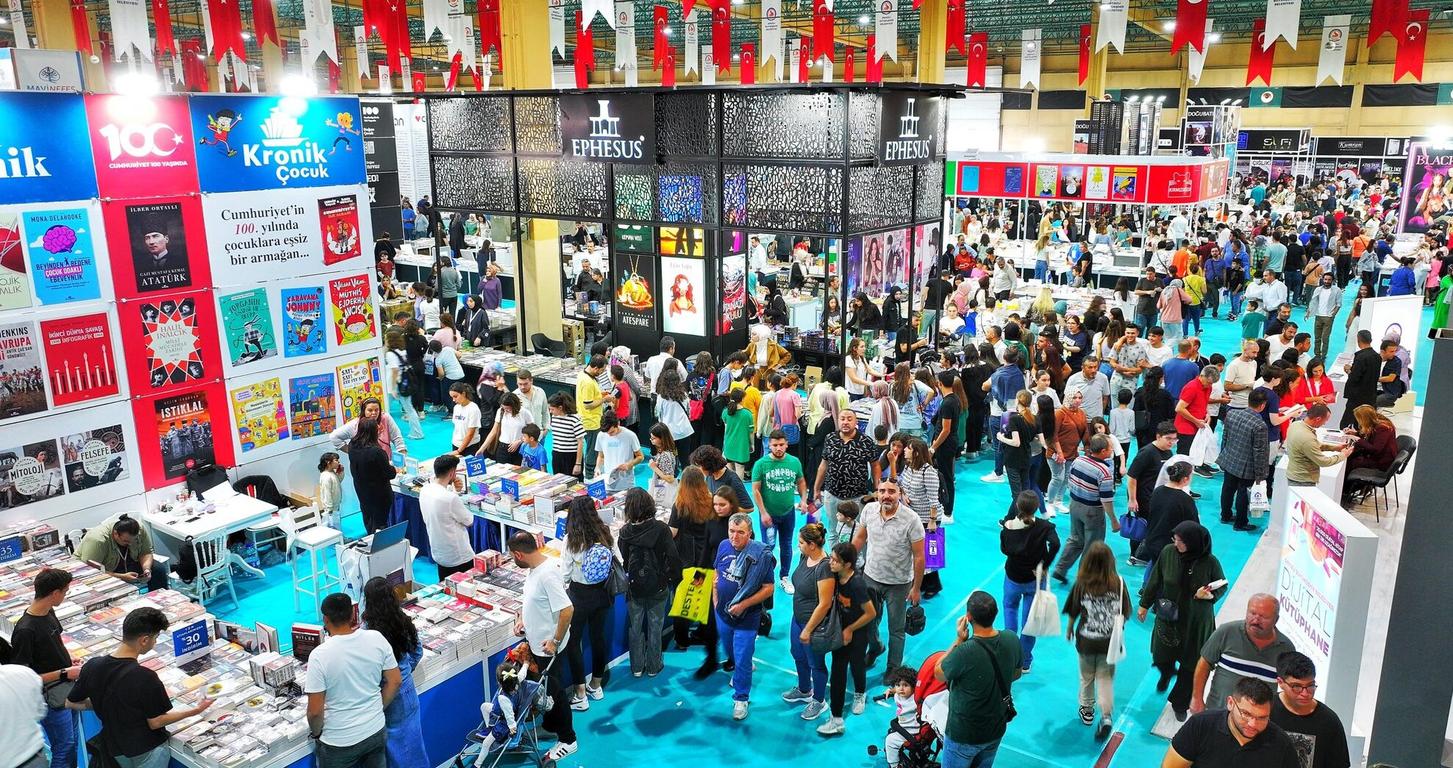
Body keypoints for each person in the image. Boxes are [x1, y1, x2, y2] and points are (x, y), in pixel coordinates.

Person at [66, 608, 215, 768]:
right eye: (155, 638)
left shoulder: (92, 665)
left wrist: (102, 703)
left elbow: (70, 702)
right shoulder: (145, 677)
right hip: (147, 750)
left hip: (115, 747)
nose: (155, 643)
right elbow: (156, 722)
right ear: (144, 640)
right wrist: (196, 710)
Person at [506, 532, 578, 762]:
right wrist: (523, 620)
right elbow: (535, 601)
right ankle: (551, 725)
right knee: (547, 691)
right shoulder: (534, 570)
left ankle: (568, 739)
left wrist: (555, 641)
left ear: (519, 554)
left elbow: (567, 610)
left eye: (512, 556)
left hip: (549, 649)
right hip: (537, 644)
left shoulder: (547, 575)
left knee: (555, 692)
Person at [934, 591, 1023, 768]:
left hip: (964, 734)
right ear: (995, 613)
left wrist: (959, 639)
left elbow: (938, 672)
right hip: (995, 729)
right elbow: (1017, 673)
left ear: (968, 617)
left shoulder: (965, 651)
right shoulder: (1011, 639)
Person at [852, 479, 925, 678]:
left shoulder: (912, 519)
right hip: (871, 577)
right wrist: (847, 561)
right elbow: (860, 537)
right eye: (882, 491)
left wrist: (916, 588)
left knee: (896, 629)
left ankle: (893, 667)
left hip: (899, 583)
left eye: (891, 491)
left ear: (900, 493)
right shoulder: (869, 510)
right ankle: (876, 647)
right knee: (868, 622)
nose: (886, 495)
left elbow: (919, 557)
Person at [9, 568, 80, 768]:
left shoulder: (49, 611)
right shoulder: (25, 630)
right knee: (64, 747)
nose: (65, 596)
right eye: (65, 592)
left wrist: (67, 659)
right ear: (55, 593)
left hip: (67, 687)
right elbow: (23, 678)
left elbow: (55, 641)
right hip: (50, 698)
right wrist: (63, 673)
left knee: (72, 743)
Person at [1062, 541, 1132, 740]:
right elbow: (1125, 612)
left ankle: (1087, 710)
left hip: (1086, 640)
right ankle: (1106, 716)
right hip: (1109, 642)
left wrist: (1069, 628)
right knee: (1105, 678)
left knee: (1086, 677)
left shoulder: (1082, 583)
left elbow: (1074, 609)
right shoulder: (1119, 583)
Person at [713, 512, 777, 720]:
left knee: (741, 658)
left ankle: (741, 698)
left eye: (740, 532)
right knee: (730, 651)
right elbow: (716, 573)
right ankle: (743, 667)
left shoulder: (760, 555)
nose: (735, 536)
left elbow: (768, 588)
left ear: (749, 533)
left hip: (747, 618)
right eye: (732, 531)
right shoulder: (724, 545)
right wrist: (715, 600)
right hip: (722, 614)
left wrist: (743, 605)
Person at [1192, 594, 1299, 716]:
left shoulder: (1286, 648)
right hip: (1218, 714)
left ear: (1276, 619)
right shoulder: (1226, 632)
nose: (1256, 620)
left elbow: (1290, 685)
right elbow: (1205, 663)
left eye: (1264, 617)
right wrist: (1196, 698)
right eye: (1252, 613)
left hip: (1256, 721)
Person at [815, 541, 879, 736]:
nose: (831, 563)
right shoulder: (835, 575)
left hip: (858, 631)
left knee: (857, 664)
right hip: (840, 631)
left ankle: (860, 692)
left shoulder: (857, 584)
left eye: (835, 561)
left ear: (848, 565)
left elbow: (871, 613)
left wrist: (850, 629)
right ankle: (836, 718)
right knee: (838, 671)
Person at [1162, 678, 1301, 767]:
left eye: (1262, 717)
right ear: (1230, 703)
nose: (1253, 724)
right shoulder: (1201, 725)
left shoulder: (1281, 744)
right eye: (1246, 714)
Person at [558, 496, 616, 710]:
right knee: (598, 637)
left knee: (574, 643)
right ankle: (596, 685)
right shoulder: (605, 532)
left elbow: (565, 574)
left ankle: (580, 693)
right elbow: (616, 559)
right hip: (603, 594)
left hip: (579, 596)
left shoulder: (571, 539)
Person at [361, 578, 426, 768]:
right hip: (407, 690)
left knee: (393, 750)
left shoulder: (368, 630)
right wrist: (404, 671)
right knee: (414, 745)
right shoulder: (402, 620)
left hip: (385, 694)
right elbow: (417, 651)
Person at [617, 487, 681, 678]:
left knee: (635, 627)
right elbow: (673, 557)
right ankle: (654, 666)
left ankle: (636, 667)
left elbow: (624, 559)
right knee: (655, 626)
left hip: (634, 587)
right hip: (658, 585)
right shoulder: (661, 528)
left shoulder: (625, 532)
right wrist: (673, 578)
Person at [999, 490, 1060, 674]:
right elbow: (1056, 544)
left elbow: (1004, 550)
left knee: (1010, 609)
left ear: (1017, 506)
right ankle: (1025, 661)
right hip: (1035, 579)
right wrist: (1045, 565)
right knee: (1030, 621)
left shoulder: (1008, 526)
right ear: (1037, 507)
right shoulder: (1044, 527)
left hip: (1013, 577)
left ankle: (1009, 653)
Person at [1051, 435, 1121, 584]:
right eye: (1110, 448)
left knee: (1075, 539)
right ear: (1103, 451)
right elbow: (1106, 500)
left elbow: (1070, 481)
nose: (1112, 450)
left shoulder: (1078, 460)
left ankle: (1060, 568)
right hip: (1092, 511)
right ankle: (1084, 578)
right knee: (1092, 546)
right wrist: (1113, 520)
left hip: (1075, 505)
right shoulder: (1104, 472)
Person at [785, 523, 834, 721]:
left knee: (816, 663)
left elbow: (825, 604)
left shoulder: (824, 568)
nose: (798, 546)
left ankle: (819, 701)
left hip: (814, 625)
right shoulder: (806, 557)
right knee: (797, 654)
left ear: (812, 545)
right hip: (797, 619)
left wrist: (808, 629)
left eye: (801, 543)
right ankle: (804, 690)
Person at [1270, 652, 1351, 768]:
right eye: (1296, 686)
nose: (1305, 693)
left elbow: (1340, 764)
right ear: (1280, 682)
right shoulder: (1265, 711)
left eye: (1310, 686)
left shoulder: (1329, 721)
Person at [752, 429, 809, 590]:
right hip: (768, 515)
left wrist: (804, 500)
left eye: (781, 444)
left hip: (788, 513)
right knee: (768, 547)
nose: (778, 448)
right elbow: (756, 490)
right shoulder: (761, 464)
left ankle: (784, 576)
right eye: (775, 445)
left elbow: (801, 481)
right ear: (769, 445)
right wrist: (763, 513)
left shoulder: (794, 462)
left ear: (786, 445)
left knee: (786, 545)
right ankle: (765, 577)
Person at [1218, 390, 1271, 532]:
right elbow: (1260, 452)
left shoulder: (1232, 414)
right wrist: (1261, 474)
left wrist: (1223, 454)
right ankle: (1240, 523)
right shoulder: (1260, 425)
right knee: (1243, 492)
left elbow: (1225, 437)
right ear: (1262, 405)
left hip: (1230, 458)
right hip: (1246, 465)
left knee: (1227, 488)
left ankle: (1225, 515)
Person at [814, 408, 882, 518]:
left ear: (856, 422)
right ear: (838, 421)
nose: (845, 422)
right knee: (833, 527)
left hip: (857, 497)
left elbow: (875, 466)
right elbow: (823, 465)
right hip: (832, 494)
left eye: (849, 419)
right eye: (842, 419)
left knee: (856, 527)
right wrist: (816, 488)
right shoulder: (830, 439)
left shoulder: (866, 441)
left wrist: (877, 489)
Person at [1136, 461, 1199, 576]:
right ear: (1185, 479)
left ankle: (1147, 584)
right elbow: (1193, 527)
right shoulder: (1185, 500)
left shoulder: (1157, 491)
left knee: (1154, 566)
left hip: (1151, 539)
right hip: (1169, 545)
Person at [419, 454, 475, 579]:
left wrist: (454, 490)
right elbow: (469, 520)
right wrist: (456, 494)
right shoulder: (450, 498)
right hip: (458, 555)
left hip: (439, 552)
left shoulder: (425, 490)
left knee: (445, 586)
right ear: (452, 473)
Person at [350, 418, 402, 534]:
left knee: (368, 517)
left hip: (361, 490)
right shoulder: (376, 452)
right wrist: (395, 469)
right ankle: (379, 541)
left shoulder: (352, 445)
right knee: (380, 522)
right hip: (379, 494)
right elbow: (389, 473)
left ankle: (370, 535)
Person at [74, 514, 155, 586]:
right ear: (115, 533)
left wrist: (146, 569)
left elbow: (146, 552)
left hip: (130, 563)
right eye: (126, 541)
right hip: (104, 570)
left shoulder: (139, 528)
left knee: (158, 570)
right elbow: (91, 572)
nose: (130, 544)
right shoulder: (97, 540)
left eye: (133, 540)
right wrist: (121, 577)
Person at [1285, 404, 1354, 487]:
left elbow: (1313, 445)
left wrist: (1335, 448)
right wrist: (1343, 455)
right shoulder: (1307, 438)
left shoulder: (1295, 425)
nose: (1324, 423)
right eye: (1325, 420)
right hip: (1303, 480)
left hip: (1294, 475)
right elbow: (1324, 462)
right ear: (1318, 419)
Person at [881, 666, 923, 767]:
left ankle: (894, 765)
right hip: (902, 724)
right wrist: (891, 690)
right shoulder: (898, 694)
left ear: (913, 687)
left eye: (905, 685)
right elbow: (897, 690)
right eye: (898, 685)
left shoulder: (915, 699)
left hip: (911, 731)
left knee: (890, 740)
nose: (901, 689)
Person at [593, 412, 643, 493]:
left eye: (612, 432)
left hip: (626, 484)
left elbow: (640, 457)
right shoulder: (601, 435)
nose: (610, 435)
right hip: (607, 482)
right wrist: (597, 468)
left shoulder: (630, 435)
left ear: (618, 424)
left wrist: (629, 464)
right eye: (607, 433)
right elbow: (601, 456)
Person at [1340, 331, 1380, 428]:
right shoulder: (1377, 357)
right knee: (1365, 423)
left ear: (1358, 340)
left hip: (1357, 396)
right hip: (1370, 395)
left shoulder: (1361, 357)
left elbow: (1355, 377)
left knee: (1346, 423)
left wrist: (1349, 371)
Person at [481, 392, 534, 465]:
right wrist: (482, 449)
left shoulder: (525, 413)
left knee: (518, 471)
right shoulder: (500, 411)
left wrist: (520, 441)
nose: (505, 410)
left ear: (514, 406)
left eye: (508, 409)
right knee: (501, 470)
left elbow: (532, 431)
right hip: (502, 448)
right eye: (503, 408)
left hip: (520, 448)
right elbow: (493, 431)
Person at [577, 354, 608, 462]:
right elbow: (588, 404)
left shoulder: (583, 374)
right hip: (591, 422)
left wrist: (600, 394)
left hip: (586, 418)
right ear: (595, 368)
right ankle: (590, 471)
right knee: (592, 451)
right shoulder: (588, 382)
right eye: (602, 370)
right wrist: (604, 399)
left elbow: (588, 396)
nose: (602, 373)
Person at [1304, 273, 1342, 360]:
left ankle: (1323, 355)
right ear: (1323, 279)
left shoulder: (1337, 290)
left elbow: (1339, 304)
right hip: (1318, 316)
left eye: (1329, 280)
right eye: (1325, 279)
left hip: (1328, 317)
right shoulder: (1318, 289)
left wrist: (1333, 315)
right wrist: (1308, 312)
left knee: (1325, 337)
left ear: (1332, 280)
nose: (1327, 281)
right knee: (1317, 337)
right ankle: (1317, 354)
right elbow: (1313, 301)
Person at [548, 393, 585, 479]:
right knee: (558, 481)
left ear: (560, 408)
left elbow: (580, 442)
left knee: (574, 482)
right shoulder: (554, 417)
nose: (550, 412)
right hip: (557, 455)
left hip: (571, 456)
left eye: (552, 409)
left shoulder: (574, 419)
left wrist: (578, 464)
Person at [448, 382, 483, 455]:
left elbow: (470, 434)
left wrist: (459, 451)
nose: (453, 400)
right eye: (452, 397)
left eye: (455, 396)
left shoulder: (473, 409)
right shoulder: (456, 407)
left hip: (470, 446)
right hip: (456, 444)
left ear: (463, 394)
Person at [1375, 339, 1407, 407]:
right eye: (1391, 351)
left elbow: (1390, 378)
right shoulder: (1374, 359)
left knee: (1373, 402)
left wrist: (1373, 378)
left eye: (1395, 351)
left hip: (1389, 392)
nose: (1394, 353)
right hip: (1373, 389)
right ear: (1382, 351)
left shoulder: (1396, 362)